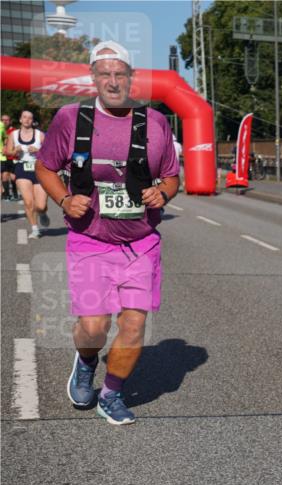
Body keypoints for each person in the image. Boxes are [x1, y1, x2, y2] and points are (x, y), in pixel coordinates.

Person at [35, 40, 180, 425]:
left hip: (141, 241)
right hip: (90, 239)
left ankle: (111, 394)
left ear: (131, 78)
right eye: (105, 74)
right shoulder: (71, 119)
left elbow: (170, 176)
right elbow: (46, 167)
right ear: (93, 78)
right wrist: (65, 201)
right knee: (94, 327)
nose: (113, 81)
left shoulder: (156, 123)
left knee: (134, 322)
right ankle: (86, 361)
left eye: (120, 74)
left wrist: (161, 192)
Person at [5, 110, 49, 237]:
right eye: (24, 117)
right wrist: (15, 151)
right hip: (21, 168)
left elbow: (50, 151)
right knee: (28, 202)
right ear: (20, 120)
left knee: (40, 205)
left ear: (32, 120)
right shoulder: (13, 134)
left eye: (30, 118)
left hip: (39, 169)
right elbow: (7, 152)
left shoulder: (40, 134)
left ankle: (42, 213)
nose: (27, 120)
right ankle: (35, 229)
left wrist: (38, 150)